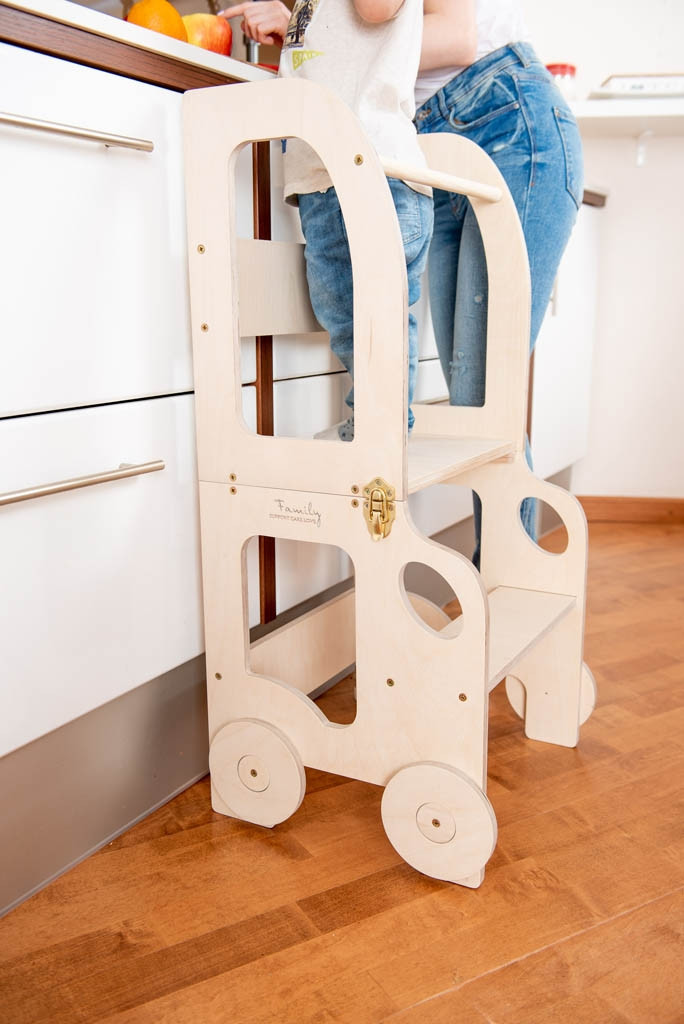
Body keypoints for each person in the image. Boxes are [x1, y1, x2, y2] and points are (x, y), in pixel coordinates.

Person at [415, 0, 584, 567]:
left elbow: (456, 38)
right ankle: (507, 576)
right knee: (475, 402)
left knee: (486, 396)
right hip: (438, 153)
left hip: (506, 123)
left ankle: (510, 577)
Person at [220, 0, 434, 441]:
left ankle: (379, 432)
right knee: (356, 314)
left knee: (369, 316)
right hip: (338, 175)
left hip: (361, 169)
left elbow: (375, 9)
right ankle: (380, 428)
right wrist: (294, 26)